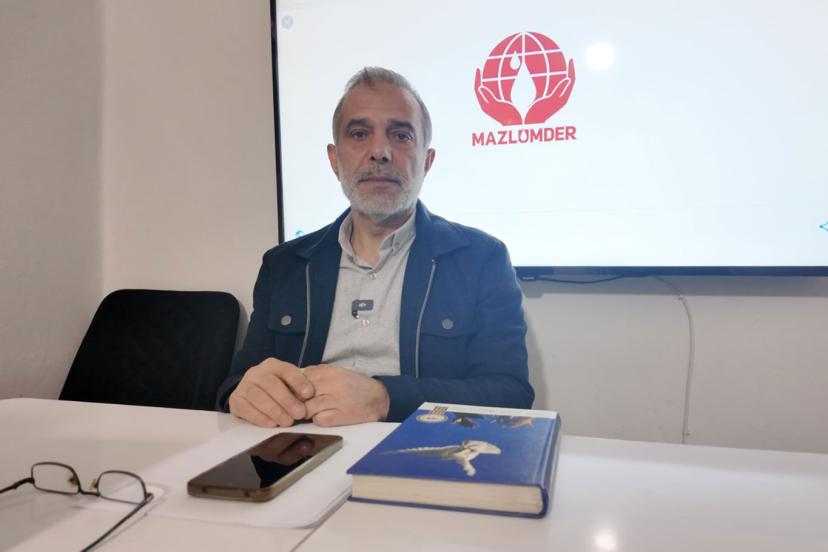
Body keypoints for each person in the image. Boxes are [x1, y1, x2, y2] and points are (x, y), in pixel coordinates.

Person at [216, 67, 533, 426]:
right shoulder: (284, 264)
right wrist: (243, 392)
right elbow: (235, 385)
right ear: (334, 160)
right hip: (299, 444)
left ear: (427, 162)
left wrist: (385, 398)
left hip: (418, 447)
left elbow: (510, 395)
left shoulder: (482, 259)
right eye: (359, 133)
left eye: (401, 135)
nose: (380, 152)